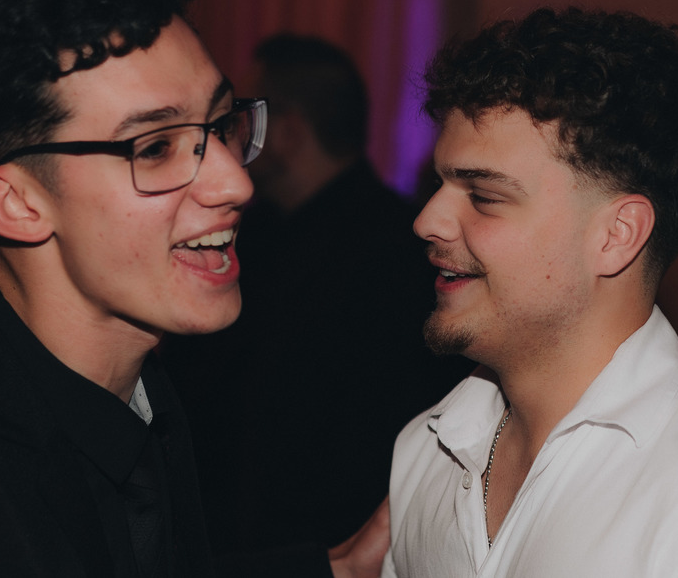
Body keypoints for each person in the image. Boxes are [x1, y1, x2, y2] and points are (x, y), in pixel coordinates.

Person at [0, 0, 385, 577]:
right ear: (15, 204)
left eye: (220, 126)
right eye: (154, 148)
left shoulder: (121, 382)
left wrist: (337, 569)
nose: (235, 182)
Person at [382, 7, 678, 577]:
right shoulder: (426, 451)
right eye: (439, 184)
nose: (427, 221)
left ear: (616, 235)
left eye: (484, 196)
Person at [165, 34, 470, 553]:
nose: (230, 147)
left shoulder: (406, 255)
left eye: (239, 121)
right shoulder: (247, 232)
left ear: (285, 130)